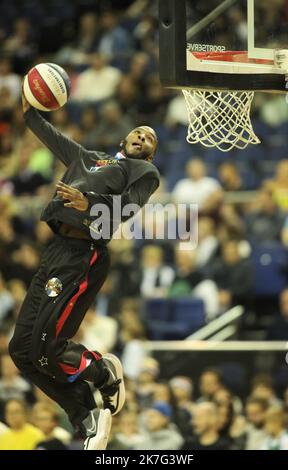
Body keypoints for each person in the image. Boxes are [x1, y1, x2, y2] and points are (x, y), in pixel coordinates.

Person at [9, 91, 160, 450]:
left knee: (48, 344)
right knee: (21, 350)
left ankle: (104, 373)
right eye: (138, 132)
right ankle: (85, 415)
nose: (141, 137)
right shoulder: (88, 158)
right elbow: (53, 136)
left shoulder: (143, 171)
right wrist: (30, 113)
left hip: (85, 254)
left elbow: (128, 208)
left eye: (149, 138)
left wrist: (90, 202)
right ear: (125, 138)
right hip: (56, 251)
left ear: (150, 152)